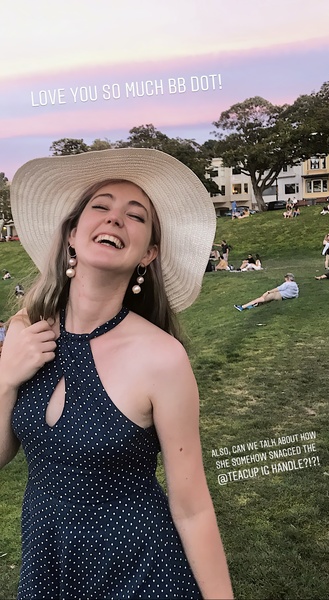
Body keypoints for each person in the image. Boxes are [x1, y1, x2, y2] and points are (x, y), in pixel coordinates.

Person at [1, 149, 233, 600]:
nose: (114, 220)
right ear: (72, 233)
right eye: (100, 207)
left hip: (141, 574)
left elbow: (192, 508)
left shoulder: (162, 358)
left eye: (135, 216)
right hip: (48, 569)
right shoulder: (27, 332)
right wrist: (6, 377)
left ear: (148, 253)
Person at [234, 273, 299, 311]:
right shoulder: (295, 285)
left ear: (287, 278)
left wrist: (268, 292)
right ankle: (252, 306)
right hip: (283, 297)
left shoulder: (287, 283)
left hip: (279, 295)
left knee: (261, 299)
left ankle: (242, 307)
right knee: (266, 301)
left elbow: (278, 289)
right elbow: (296, 294)